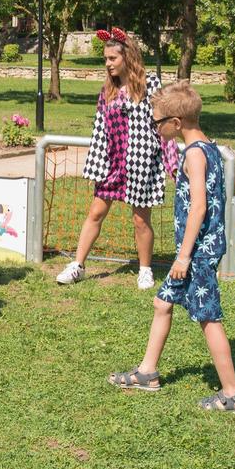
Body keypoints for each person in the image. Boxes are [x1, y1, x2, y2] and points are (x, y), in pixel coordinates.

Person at [107, 81, 235, 413]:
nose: (155, 128)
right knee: (162, 303)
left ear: (176, 123)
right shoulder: (208, 148)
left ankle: (232, 394)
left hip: (196, 253)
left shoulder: (195, 155)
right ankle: (147, 373)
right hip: (199, 248)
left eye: (157, 122)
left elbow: (199, 207)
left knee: (208, 318)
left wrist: (183, 256)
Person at [56, 27, 178, 289]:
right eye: (105, 59)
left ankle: (145, 269)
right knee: (95, 212)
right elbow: (100, 128)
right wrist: (97, 164)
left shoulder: (151, 86)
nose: (108, 64)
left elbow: (165, 126)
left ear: (128, 57)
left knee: (140, 218)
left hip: (140, 163)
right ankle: (77, 265)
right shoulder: (107, 91)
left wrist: (172, 163)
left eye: (112, 58)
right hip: (112, 163)